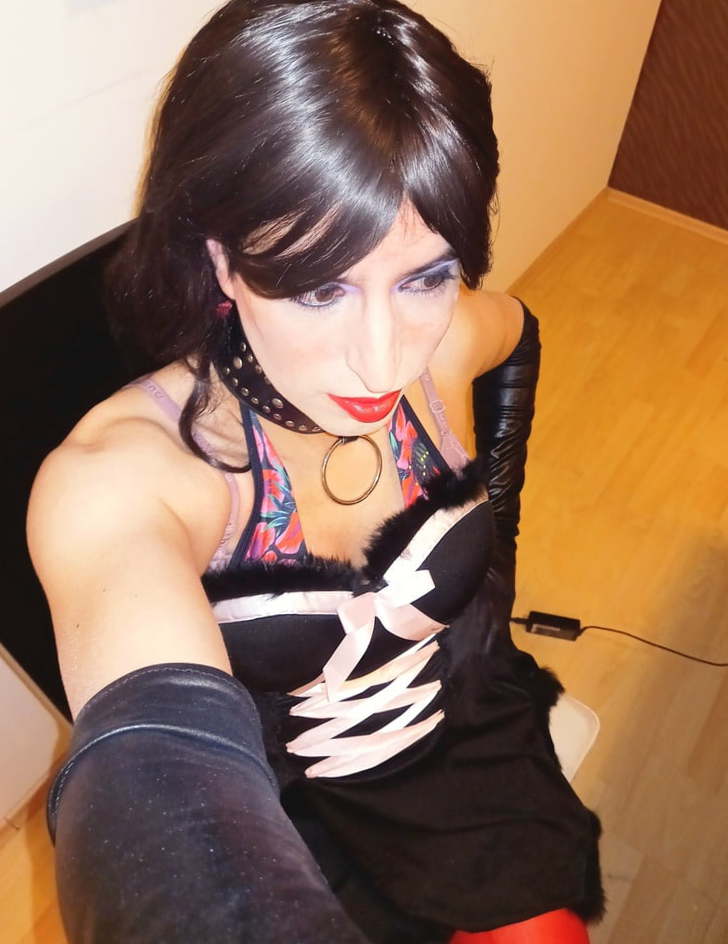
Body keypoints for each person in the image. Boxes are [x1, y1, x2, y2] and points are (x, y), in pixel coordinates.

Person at [28, 1, 604, 941]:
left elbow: (517, 330)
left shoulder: (447, 346)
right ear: (221, 259)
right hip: (286, 820)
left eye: (425, 277)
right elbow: (149, 769)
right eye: (317, 288)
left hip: (466, 751)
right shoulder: (127, 477)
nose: (383, 363)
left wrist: (500, 528)